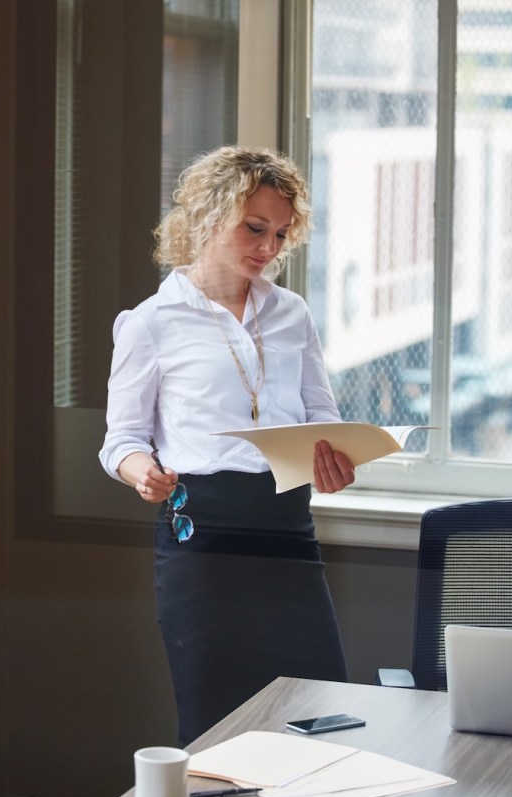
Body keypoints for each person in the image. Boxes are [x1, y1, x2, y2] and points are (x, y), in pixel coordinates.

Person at [98, 145, 356, 746]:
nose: (269, 247)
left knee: (319, 719)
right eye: (255, 227)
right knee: (216, 728)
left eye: (281, 234)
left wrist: (334, 462)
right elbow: (122, 440)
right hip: (201, 541)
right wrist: (143, 474)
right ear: (210, 217)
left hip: (288, 531)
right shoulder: (150, 322)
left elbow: (321, 416)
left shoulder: (292, 314)